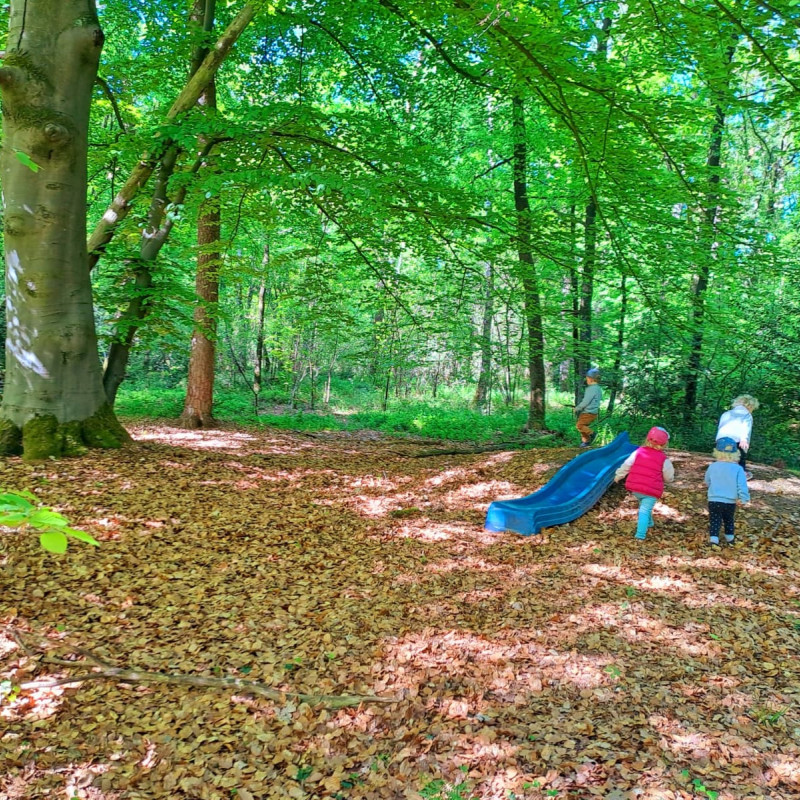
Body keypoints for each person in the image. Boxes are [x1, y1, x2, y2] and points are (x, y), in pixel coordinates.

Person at [614, 426, 675, 541]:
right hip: (651, 491)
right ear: (664, 444)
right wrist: (669, 480)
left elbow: (627, 465)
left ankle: (650, 522)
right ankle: (640, 535)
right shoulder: (663, 459)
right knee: (644, 510)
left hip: (636, 488)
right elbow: (668, 475)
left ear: (647, 439)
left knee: (644, 506)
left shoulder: (638, 452)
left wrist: (618, 476)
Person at [704, 436, 750, 546]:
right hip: (730, 500)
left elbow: (707, 481)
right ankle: (730, 538)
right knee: (729, 519)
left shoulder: (713, 467)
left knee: (715, 519)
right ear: (735, 453)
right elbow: (742, 485)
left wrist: (711, 487)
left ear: (717, 452)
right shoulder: (738, 469)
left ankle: (714, 539)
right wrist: (744, 498)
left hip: (714, 498)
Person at [716, 394, 759, 479]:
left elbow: (721, 426)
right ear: (750, 406)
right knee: (740, 458)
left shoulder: (726, 413)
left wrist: (718, 440)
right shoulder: (747, 415)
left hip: (721, 439)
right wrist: (744, 439)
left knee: (724, 458)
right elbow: (746, 427)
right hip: (736, 440)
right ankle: (740, 474)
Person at [575, 367, 602, 447]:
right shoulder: (598, 388)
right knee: (583, 426)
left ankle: (593, 434)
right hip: (592, 412)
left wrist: (578, 408)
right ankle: (586, 442)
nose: (586, 380)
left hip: (588, 412)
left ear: (590, 379)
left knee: (579, 425)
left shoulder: (591, 389)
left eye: (587, 379)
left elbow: (586, 401)